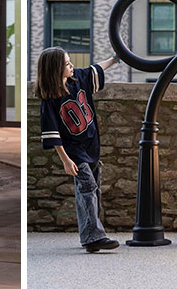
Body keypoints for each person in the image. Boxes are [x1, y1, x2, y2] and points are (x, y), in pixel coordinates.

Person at [36, 47, 120, 253]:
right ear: (55, 69)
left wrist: (116, 58)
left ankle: (89, 236)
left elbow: (96, 69)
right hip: (74, 152)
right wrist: (65, 160)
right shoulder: (50, 100)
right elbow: (52, 133)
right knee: (87, 188)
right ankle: (93, 237)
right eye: (66, 64)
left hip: (92, 145)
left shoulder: (79, 79)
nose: (71, 65)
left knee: (94, 190)